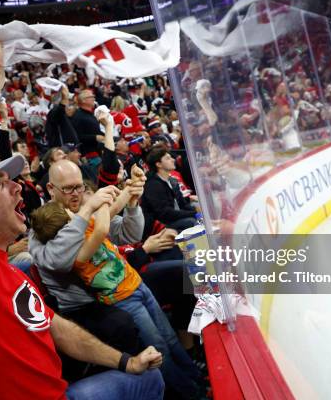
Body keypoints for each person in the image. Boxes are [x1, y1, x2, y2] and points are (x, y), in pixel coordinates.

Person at [0, 38, 164, 400]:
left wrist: (125, 362)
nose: (18, 190)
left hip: (61, 391)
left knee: (149, 378)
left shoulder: (7, 270)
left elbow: (55, 326)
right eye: (1, 184)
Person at [30, 159, 202, 399]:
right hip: (95, 302)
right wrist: (94, 208)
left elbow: (127, 233)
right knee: (150, 339)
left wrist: (131, 203)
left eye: (79, 186)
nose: (77, 193)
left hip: (129, 278)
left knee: (183, 278)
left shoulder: (84, 208)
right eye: (68, 188)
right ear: (50, 189)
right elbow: (60, 258)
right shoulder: (45, 223)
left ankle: (195, 373)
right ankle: (188, 391)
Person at [141, 148, 197, 233]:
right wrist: (194, 213)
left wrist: (198, 210)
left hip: (173, 219)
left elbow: (182, 205)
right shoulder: (153, 185)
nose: (173, 160)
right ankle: (199, 245)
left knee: (198, 211)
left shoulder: (172, 181)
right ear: (159, 164)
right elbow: (165, 214)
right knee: (192, 222)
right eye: (168, 158)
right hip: (160, 226)